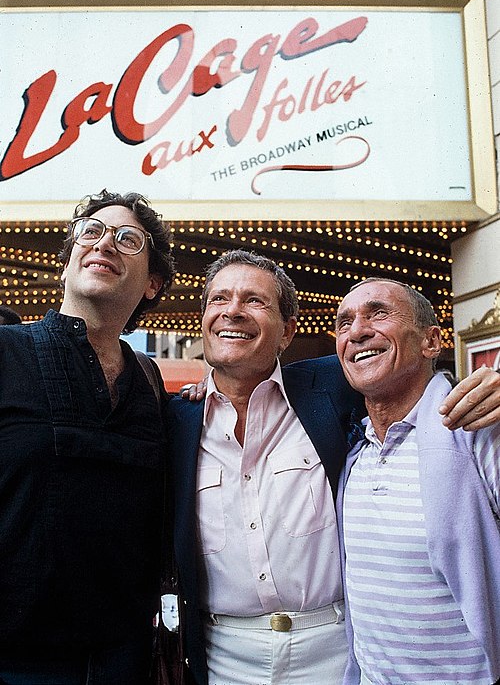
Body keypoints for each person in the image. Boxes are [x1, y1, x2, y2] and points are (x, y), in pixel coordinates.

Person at [168, 249, 500, 685]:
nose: (233, 311)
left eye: (254, 300)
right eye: (220, 299)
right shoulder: (174, 418)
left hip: (334, 652)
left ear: (288, 332)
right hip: (221, 656)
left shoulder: (331, 388)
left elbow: (401, 377)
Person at [0, 190, 175, 685]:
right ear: (67, 262)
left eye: (127, 239)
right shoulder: (5, 351)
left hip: (124, 659)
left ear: (152, 284)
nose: (104, 244)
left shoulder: (151, 381)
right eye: (91, 232)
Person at [334, 278, 500, 685]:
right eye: (344, 323)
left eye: (378, 313)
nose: (357, 331)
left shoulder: (479, 432)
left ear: (431, 341)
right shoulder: (354, 452)